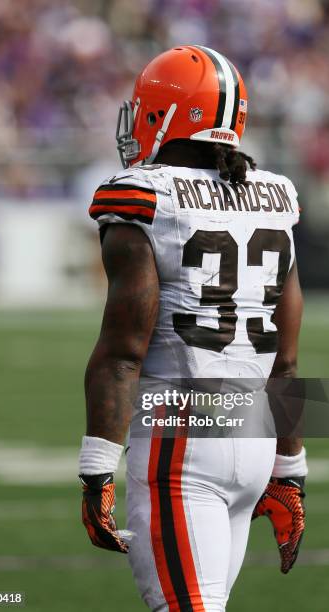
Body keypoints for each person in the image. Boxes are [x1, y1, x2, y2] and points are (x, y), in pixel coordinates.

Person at [78, 45, 307, 611]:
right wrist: (291, 470)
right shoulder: (275, 196)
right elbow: (286, 360)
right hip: (254, 442)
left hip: (181, 443)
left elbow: (123, 353)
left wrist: (94, 469)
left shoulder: (146, 196)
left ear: (164, 114)